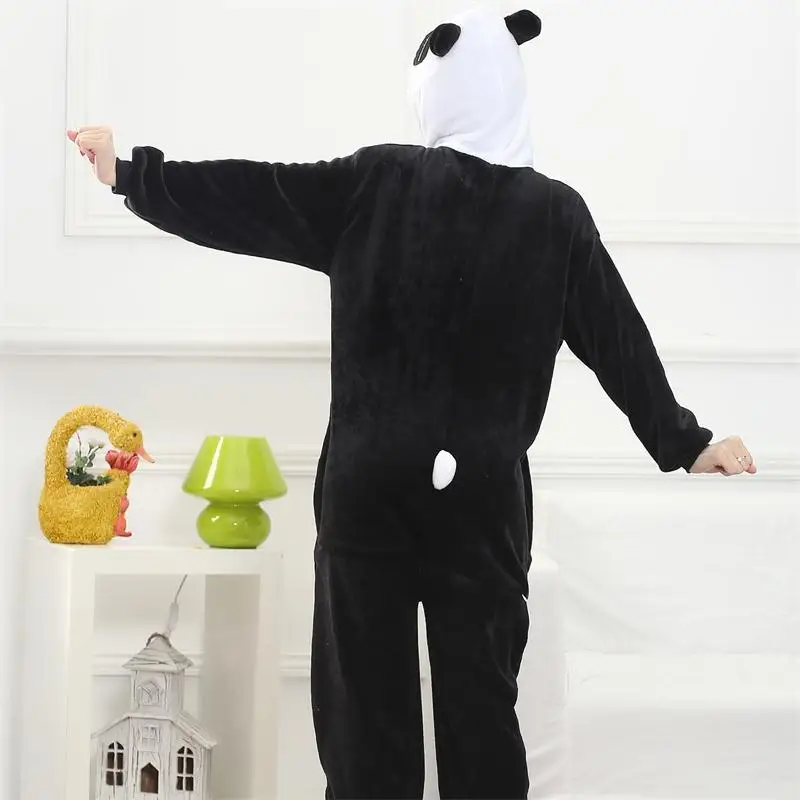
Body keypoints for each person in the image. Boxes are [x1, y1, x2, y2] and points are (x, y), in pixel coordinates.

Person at [68, 7, 756, 798]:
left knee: (365, 720)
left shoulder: (377, 180)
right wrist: (684, 441)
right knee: (480, 711)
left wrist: (134, 174)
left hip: (368, 488)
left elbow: (253, 194)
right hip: (482, 501)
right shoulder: (555, 214)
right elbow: (617, 337)